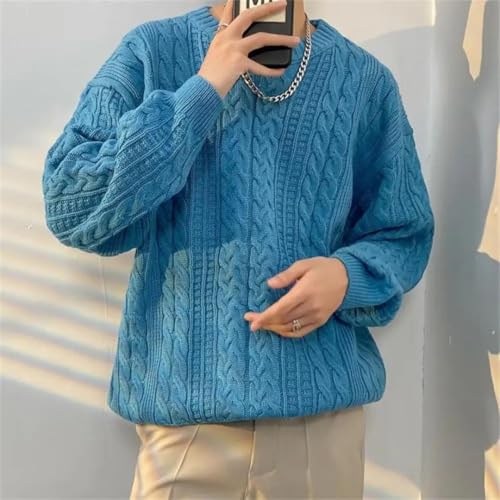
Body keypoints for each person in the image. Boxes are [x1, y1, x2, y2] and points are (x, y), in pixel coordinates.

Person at [41, 0, 435, 497]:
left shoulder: (362, 80)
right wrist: (204, 88)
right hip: (186, 427)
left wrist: (345, 278)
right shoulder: (153, 51)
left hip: (319, 428)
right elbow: (70, 205)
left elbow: (404, 231)